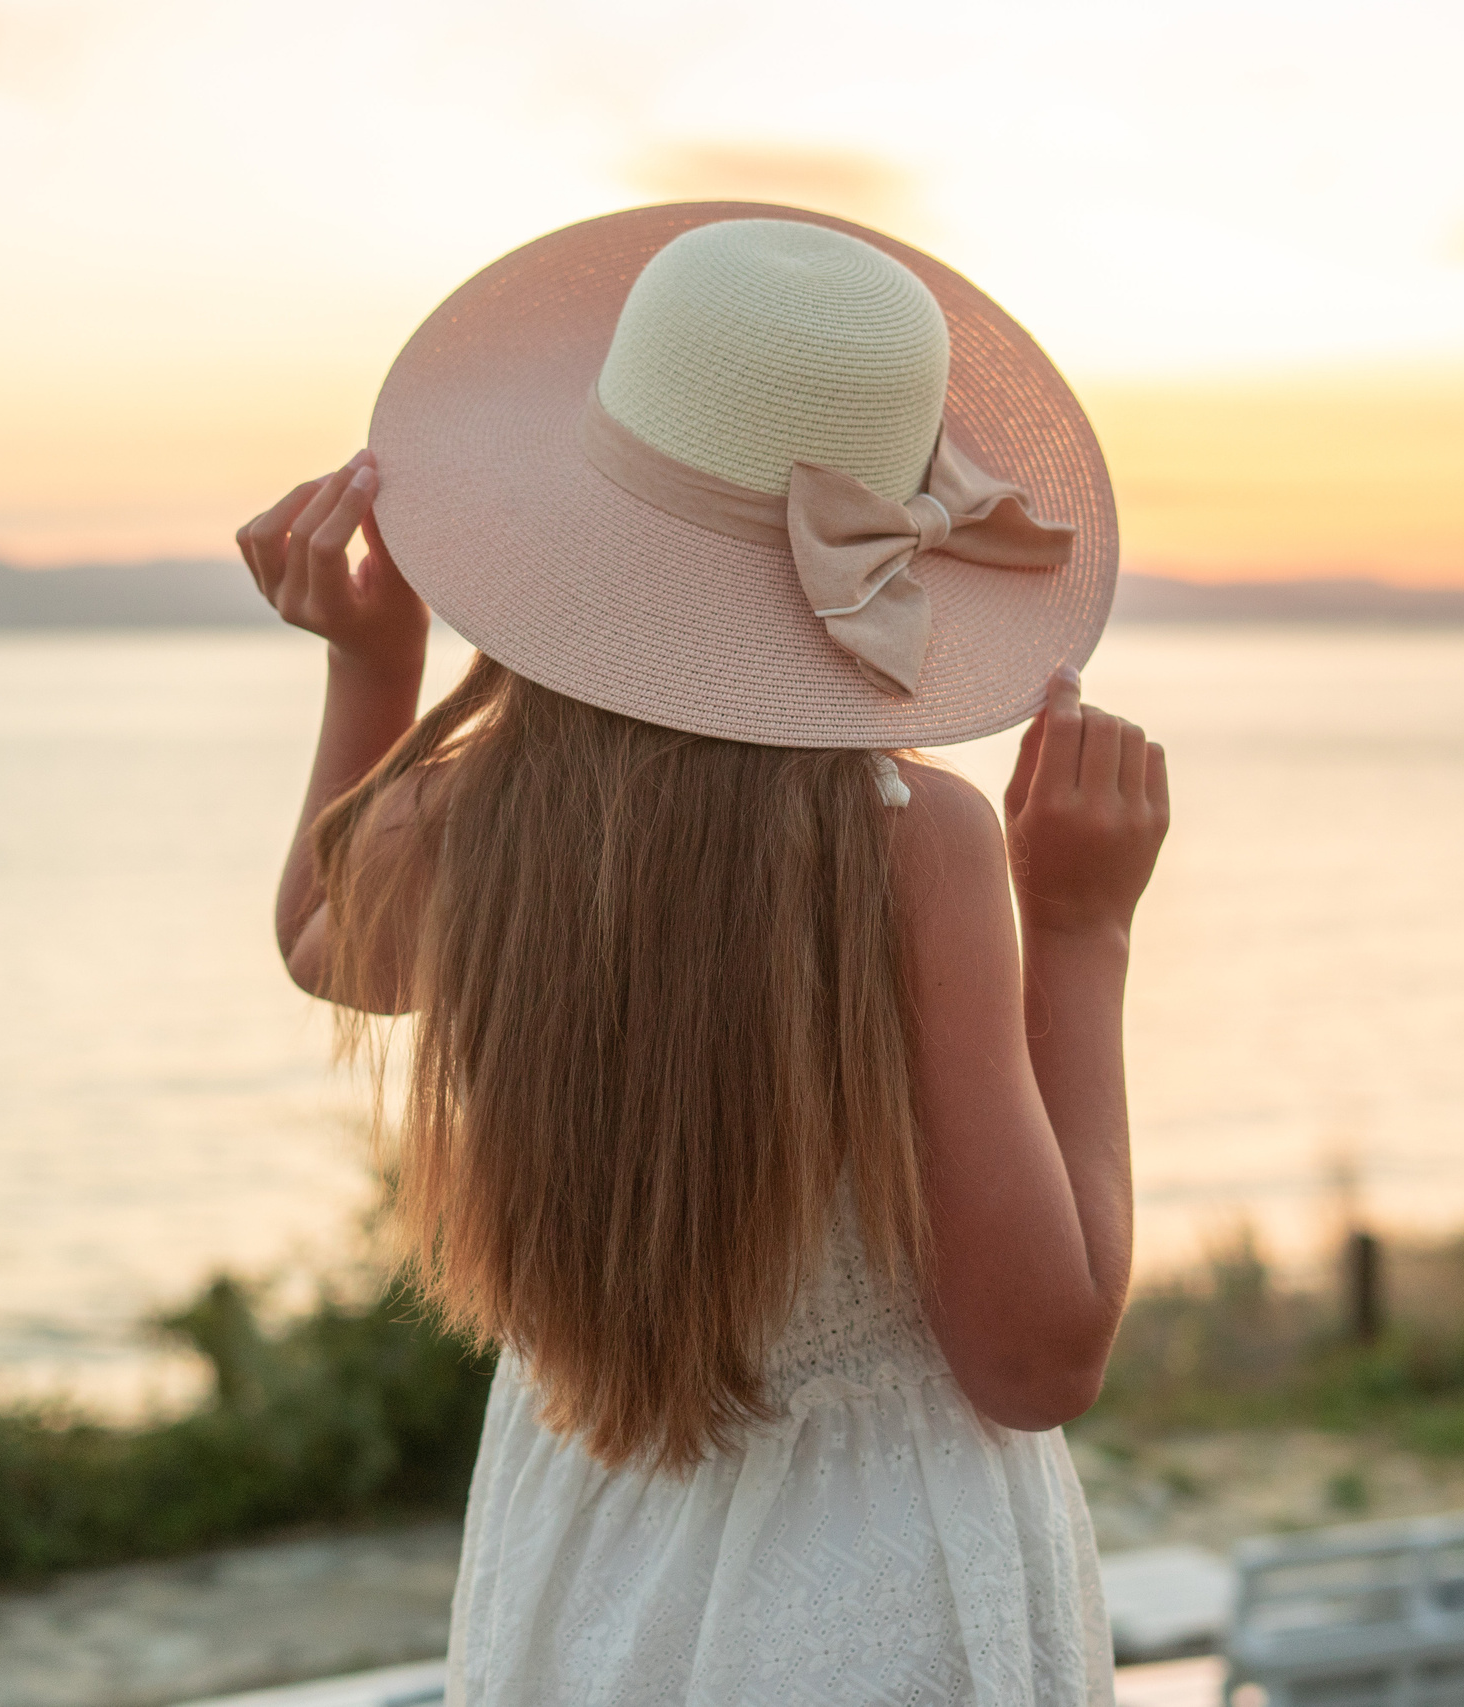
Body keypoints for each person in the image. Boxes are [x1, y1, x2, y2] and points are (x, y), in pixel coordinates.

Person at [236, 207, 1170, 1707]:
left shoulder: (492, 807)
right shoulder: (906, 842)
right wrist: (1081, 927)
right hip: (878, 1574)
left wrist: (374, 669)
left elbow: (327, 948)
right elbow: (1036, 1363)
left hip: (593, 1543)